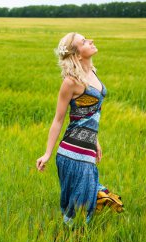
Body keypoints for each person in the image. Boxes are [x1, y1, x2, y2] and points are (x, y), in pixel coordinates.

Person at [36, 32, 110, 226]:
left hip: (87, 147)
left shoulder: (92, 73)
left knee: (85, 203)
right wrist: (47, 153)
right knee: (78, 207)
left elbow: (89, 114)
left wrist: (96, 141)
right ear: (77, 55)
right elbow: (58, 120)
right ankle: (69, 240)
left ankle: (75, 239)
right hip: (72, 152)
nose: (91, 40)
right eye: (84, 41)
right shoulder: (70, 82)